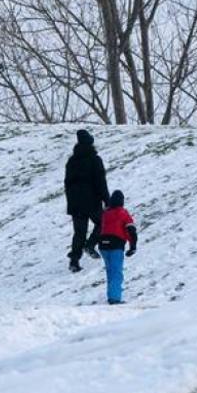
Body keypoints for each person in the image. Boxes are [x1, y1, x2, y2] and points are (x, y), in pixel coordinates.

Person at [65, 128, 110, 272]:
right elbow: (100, 182)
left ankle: (74, 261)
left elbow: (67, 183)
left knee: (79, 232)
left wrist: (71, 201)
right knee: (103, 222)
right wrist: (107, 200)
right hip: (92, 201)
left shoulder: (72, 161)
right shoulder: (94, 160)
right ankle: (90, 245)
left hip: (75, 203)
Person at [97, 189, 139, 305]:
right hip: (116, 245)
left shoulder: (105, 213)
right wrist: (133, 246)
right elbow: (131, 231)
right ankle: (114, 298)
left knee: (110, 271)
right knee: (116, 272)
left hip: (103, 245)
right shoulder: (123, 213)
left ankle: (112, 295)